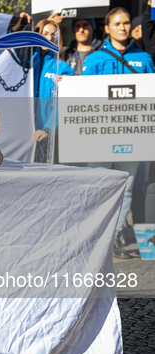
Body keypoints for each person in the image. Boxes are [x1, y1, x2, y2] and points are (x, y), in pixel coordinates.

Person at [82, 7, 154, 258]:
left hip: (132, 133)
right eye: (117, 24)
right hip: (100, 134)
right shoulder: (94, 59)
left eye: (125, 23)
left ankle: (112, 237)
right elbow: (83, 97)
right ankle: (96, 235)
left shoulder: (144, 59)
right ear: (107, 28)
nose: (123, 28)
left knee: (127, 186)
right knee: (100, 184)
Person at [32, 19, 74, 162]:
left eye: (53, 35)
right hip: (23, 134)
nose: (49, 38)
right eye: (45, 34)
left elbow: (63, 104)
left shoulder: (62, 68)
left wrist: (48, 129)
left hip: (46, 136)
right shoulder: (26, 63)